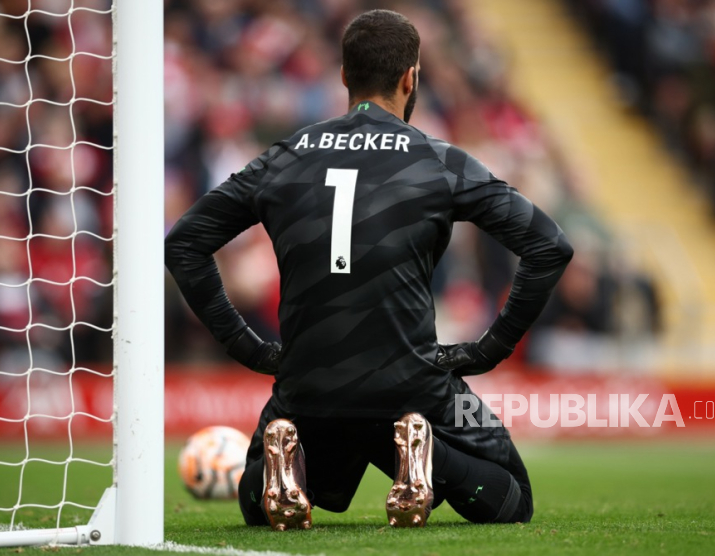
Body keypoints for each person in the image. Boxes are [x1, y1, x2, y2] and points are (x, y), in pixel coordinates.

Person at [165, 9, 573, 531]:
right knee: (513, 498)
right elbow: (549, 246)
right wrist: (487, 350)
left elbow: (184, 243)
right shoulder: (439, 160)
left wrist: (249, 348)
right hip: (415, 382)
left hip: (309, 386)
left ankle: (292, 464)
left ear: (343, 77)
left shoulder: (285, 157)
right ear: (411, 78)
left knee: (255, 501)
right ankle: (429, 458)